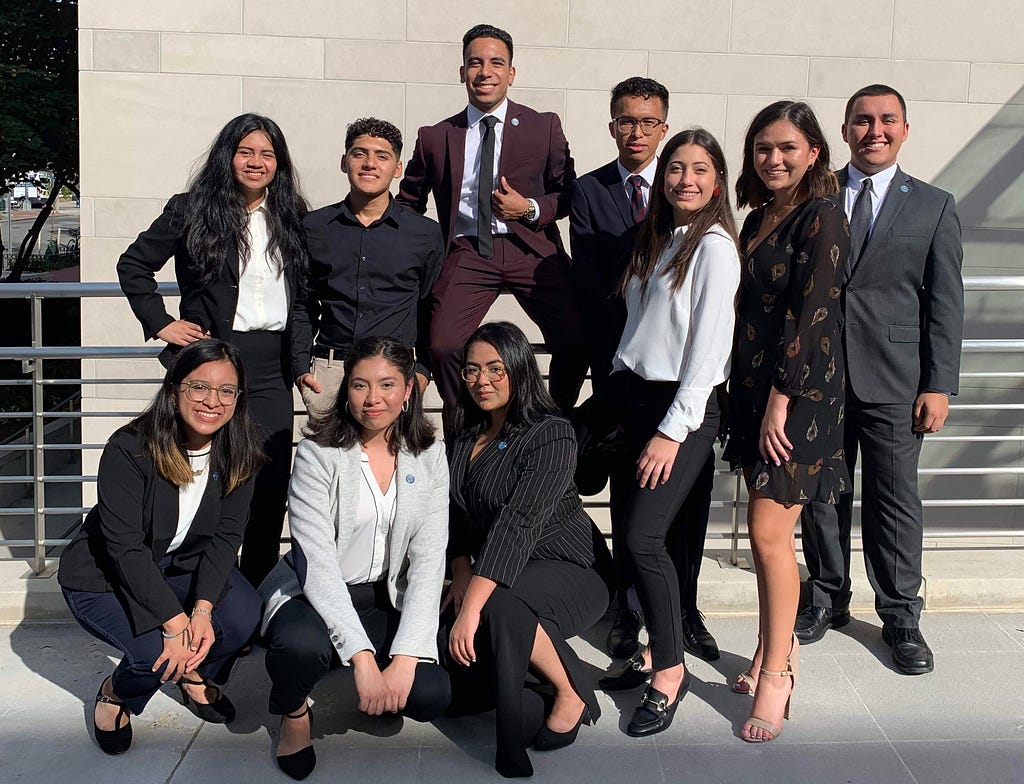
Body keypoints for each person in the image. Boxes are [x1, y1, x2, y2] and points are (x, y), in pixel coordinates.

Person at [795, 85, 964, 675]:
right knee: (821, 495)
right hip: (822, 376)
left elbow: (945, 302)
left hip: (898, 381)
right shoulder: (814, 195)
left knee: (895, 501)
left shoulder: (935, 205)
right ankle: (825, 598)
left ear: (905, 129)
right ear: (844, 131)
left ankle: (900, 615)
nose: (875, 131)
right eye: (862, 121)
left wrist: (939, 384)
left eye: (887, 120)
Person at [117, 113, 309, 588]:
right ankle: (193, 588)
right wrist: (162, 324)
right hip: (212, 362)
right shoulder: (191, 209)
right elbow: (133, 265)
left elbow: (307, 296)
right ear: (228, 156)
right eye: (246, 151)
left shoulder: (294, 217)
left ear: (279, 164)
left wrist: (304, 362)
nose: (256, 162)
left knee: (266, 488)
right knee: (200, 479)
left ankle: (255, 595)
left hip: (270, 370)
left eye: (267, 154)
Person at [596, 129, 740, 737]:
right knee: (637, 538)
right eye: (675, 168)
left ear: (717, 180)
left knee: (643, 538)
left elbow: (708, 353)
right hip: (634, 398)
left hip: (682, 410)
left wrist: (671, 431)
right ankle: (657, 647)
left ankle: (670, 672)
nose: (685, 179)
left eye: (699, 169)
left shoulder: (714, 247)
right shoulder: (660, 239)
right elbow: (642, 325)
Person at [58, 339, 264, 755]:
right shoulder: (130, 448)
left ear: (238, 398)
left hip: (176, 566)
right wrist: (175, 624)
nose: (213, 401)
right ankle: (117, 694)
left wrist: (202, 611)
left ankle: (193, 674)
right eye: (199, 387)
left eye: (227, 390)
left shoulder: (239, 450)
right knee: (155, 654)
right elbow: (125, 549)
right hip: (104, 575)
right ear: (174, 390)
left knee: (241, 617)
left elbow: (226, 537)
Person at [259, 336, 450, 780]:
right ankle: (294, 714)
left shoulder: (429, 454)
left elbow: (428, 559)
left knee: (429, 694)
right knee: (299, 650)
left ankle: (381, 680)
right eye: (360, 385)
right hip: (315, 592)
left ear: (408, 391)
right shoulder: (317, 453)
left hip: (385, 596)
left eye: (387, 385)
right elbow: (318, 561)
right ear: (346, 390)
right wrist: (363, 660)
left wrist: (405, 656)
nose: (372, 399)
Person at [724, 101, 850, 742]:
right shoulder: (758, 217)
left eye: (787, 148)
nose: (774, 159)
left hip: (794, 401)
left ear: (815, 153)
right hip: (753, 395)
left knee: (770, 538)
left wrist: (781, 398)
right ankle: (774, 650)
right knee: (769, 537)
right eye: (763, 148)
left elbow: (813, 313)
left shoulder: (823, 215)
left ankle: (777, 674)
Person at [442, 321, 612, 778]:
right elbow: (454, 513)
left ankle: (568, 692)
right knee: (456, 649)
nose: (482, 381)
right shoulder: (462, 430)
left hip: (570, 568)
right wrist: (460, 573)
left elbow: (519, 524)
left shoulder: (551, 432)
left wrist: (472, 605)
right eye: (473, 370)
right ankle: (528, 671)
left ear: (519, 368)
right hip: (497, 572)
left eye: (496, 369)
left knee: (497, 603)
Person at [397, 24, 586, 426]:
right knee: (445, 345)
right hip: (467, 251)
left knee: (574, 339)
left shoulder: (544, 126)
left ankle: (550, 425)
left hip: (531, 249)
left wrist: (530, 208)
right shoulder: (435, 136)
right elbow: (408, 203)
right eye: (475, 63)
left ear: (511, 73)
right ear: (462, 71)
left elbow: (570, 194)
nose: (485, 71)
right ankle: (466, 428)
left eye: (496, 62)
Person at [293, 118, 445, 419]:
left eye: (382, 156)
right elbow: (301, 303)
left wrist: (424, 371)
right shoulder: (314, 227)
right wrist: (301, 368)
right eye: (359, 153)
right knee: (327, 465)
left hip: (396, 374)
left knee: (393, 464)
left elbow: (432, 307)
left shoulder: (424, 234)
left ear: (397, 169)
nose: (369, 164)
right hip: (331, 373)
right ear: (344, 161)